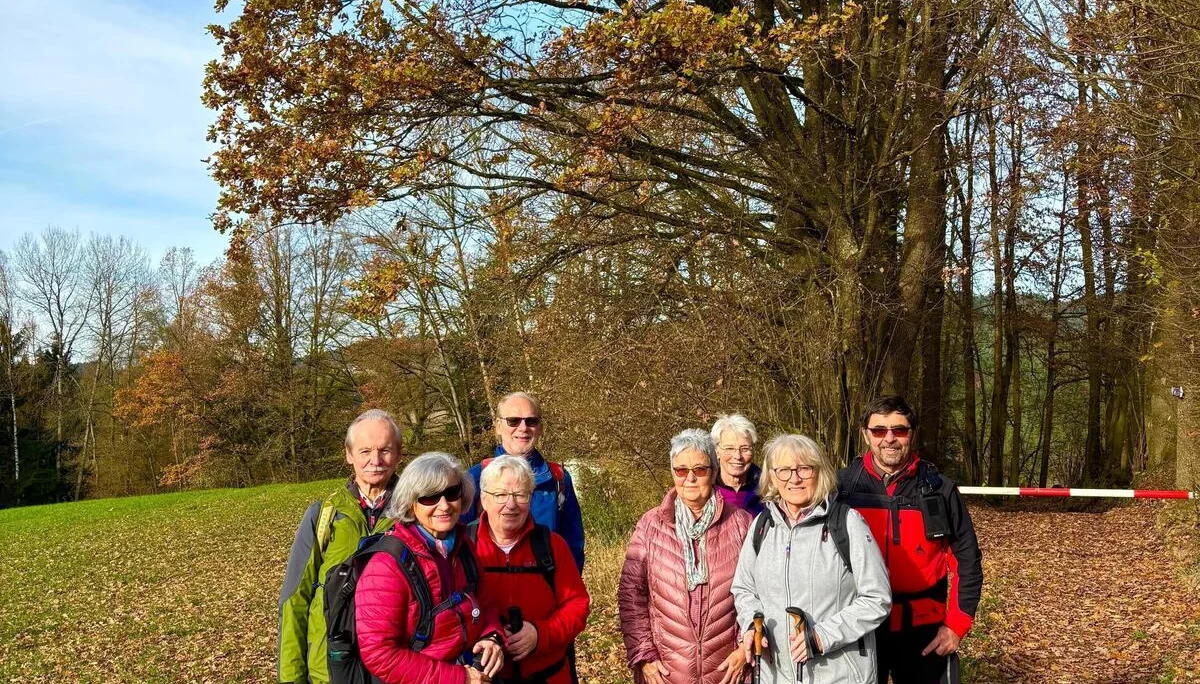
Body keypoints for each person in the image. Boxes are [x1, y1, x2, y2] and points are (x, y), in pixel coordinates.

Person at [838, 396, 984, 684]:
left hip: (924, 631)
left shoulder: (940, 489)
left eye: (899, 430)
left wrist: (956, 625)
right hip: (859, 627)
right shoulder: (841, 487)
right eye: (879, 430)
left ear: (911, 433)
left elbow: (967, 560)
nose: (889, 439)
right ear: (865, 434)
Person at [732, 434, 890, 683]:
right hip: (776, 676)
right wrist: (752, 624)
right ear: (772, 476)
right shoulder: (762, 526)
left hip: (839, 675)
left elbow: (877, 599)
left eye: (804, 468)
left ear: (820, 472)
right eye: (784, 470)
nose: (794, 478)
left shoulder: (848, 523)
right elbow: (743, 589)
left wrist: (822, 637)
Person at [355, 451, 505, 684]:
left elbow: (486, 603)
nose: (444, 505)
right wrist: (457, 678)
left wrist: (493, 636)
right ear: (411, 503)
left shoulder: (462, 548)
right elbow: (379, 654)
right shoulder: (386, 567)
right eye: (429, 497)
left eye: (451, 493)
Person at [278, 409, 403, 684]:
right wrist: (292, 678)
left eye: (385, 450)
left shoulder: (416, 513)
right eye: (365, 451)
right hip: (328, 671)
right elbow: (294, 602)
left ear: (399, 453)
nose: (375, 460)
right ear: (348, 455)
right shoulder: (323, 515)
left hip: (395, 670)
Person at [618, 429, 753, 684]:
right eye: (680, 470)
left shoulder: (741, 524)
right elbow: (631, 594)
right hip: (667, 672)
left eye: (699, 470)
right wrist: (644, 655)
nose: (689, 478)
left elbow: (760, 593)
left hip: (727, 672)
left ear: (713, 472)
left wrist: (743, 649)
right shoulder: (651, 524)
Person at [472, 456, 591, 684]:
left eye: (520, 495)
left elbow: (577, 606)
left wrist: (539, 635)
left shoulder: (551, 545)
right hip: (483, 677)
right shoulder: (466, 546)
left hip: (548, 675)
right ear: (484, 499)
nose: (511, 504)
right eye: (500, 495)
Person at [462, 392, 585, 572]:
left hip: (544, 589)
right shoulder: (475, 477)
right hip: (488, 589)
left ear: (540, 427)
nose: (523, 428)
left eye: (531, 421)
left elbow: (573, 545)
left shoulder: (558, 478)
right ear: (498, 426)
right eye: (513, 421)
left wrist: (566, 592)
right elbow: (455, 542)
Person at [710, 413, 764, 516]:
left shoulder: (767, 490)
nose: (738, 456)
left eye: (745, 449)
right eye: (729, 448)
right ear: (716, 451)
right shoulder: (706, 490)